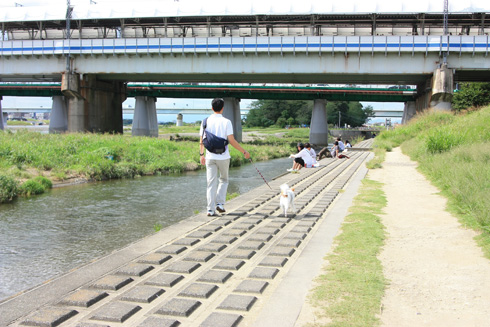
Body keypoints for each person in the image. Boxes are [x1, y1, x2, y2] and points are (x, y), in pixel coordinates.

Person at [200, 98, 250, 216]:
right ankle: (220, 203)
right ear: (223, 108)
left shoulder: (205, 121)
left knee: (210, 183)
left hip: (209, 157)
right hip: (223, 157)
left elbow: (201, 140)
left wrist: (201, 155)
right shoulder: (226, 121)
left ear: (212, 108)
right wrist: (244, 151)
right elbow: (231, 140)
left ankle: (210, 210)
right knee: (223, 180)